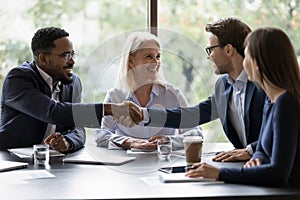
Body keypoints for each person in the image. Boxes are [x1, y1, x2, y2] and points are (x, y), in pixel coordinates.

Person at [129, 18, 266, 162]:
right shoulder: (223, 86)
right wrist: (143, 114)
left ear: (228, 50)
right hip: (244, 166)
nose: (208, 56)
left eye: (210, 50)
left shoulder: (264, 84)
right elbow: (192, 115)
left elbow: (282, 133)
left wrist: (251, 150)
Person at [185, 27, 300, 186]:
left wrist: (219, 173)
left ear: (259, 63)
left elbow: (278, 173)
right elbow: (261, 147)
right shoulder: (271, 101)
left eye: (247, 56)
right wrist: (258, 158)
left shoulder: (284, 103)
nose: (243, 62)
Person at [0, 27, 142, 153]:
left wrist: (68, 142)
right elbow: (52, 112)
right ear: (43, 59)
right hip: (12, 161)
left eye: (72, 55)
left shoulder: (73, 82)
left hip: (54, 163)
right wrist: (111, 109)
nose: (72, 61)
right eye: (65, 55)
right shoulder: (18, 79)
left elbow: (79, 129)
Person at [94, 31, 194, 149]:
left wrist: (168, 140)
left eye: (158, 56)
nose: (156, 62)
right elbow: (101, 135)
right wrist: (129, 142)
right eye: (149, 56)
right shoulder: (115, 95)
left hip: (165, 162)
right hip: (128, 164)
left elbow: (195, 133)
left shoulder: (172, 94)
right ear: (131, 61)